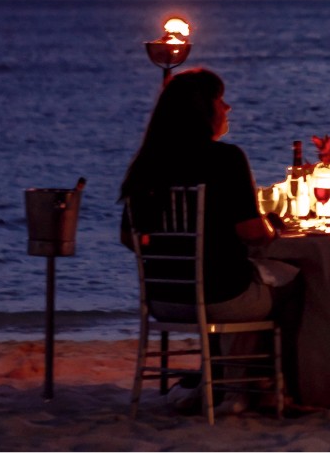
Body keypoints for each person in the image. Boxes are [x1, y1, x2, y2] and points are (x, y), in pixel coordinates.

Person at [120, 67, 302, 414]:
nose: (228, 108)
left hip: (165, 300)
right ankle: (276, 387)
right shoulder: (226, 159)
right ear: (204, 110)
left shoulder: (147, 164)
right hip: (221, 297)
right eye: (221, 100)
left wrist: (172, 249)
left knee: (240, 282)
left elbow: (128, 236)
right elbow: (251, 232)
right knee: (293, 283)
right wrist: (273, 228)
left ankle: (218, 383)